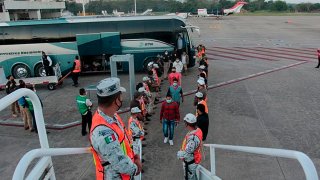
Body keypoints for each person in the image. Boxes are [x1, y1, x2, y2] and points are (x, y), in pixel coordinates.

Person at [90, 77, 142, 179]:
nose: (122, 98)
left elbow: (126, 138)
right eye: (120, 95)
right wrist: (136, 169)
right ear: (116, 100)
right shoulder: (102, 131)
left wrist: (135, 155)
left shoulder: (113, 116)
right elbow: (120, 164)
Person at [177, 113, 203, 180]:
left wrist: (179, 154)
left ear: (187, 124)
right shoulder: (198, 130)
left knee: (189, 178)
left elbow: (187, 153)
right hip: (194, 158)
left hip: (190, 162)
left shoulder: (193, 139)